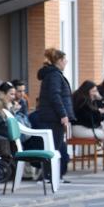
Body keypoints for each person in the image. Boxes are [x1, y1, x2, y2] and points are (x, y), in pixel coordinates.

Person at [33, 48, 75, 179]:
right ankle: (48, 177)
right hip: (53, 118)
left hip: (51, 117)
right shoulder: (55, 76)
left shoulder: (53, 74)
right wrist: (63, 115)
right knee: (53, 148)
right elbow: (55, 96)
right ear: (59, 61)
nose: (66, 62)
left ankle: (53, 176)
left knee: (55, 147)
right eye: (65, 59)